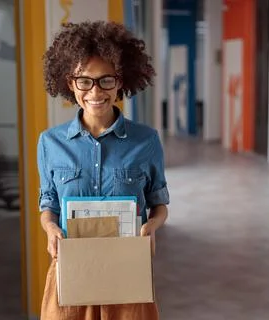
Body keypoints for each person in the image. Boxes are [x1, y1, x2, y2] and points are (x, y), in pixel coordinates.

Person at [37, 20, 170, 319]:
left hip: (127, 272)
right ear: (70, 83)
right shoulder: (49, 142)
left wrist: (153, 226)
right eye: (85, 81)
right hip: (70, 270)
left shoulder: (146, 141)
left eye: (106, 80)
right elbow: (49, 202)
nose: (95, 92)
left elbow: (159, 203)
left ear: (120, 81)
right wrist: (50, 227)